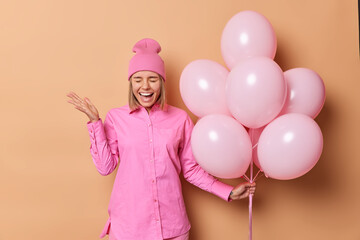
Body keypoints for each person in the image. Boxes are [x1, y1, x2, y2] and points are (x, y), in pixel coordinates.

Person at [66, 38, 256, 240]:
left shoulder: (180, 119)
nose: (145, 86)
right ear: (131, 83)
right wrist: (95, 122)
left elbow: (190, 169)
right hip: (129, 230)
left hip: (172, 228)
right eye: (138, 79)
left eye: (153, 79)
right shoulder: (116, 118)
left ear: (162, 82)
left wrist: (227, 192)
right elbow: (105, 167)